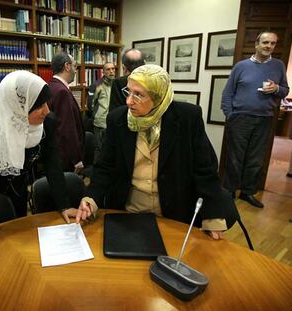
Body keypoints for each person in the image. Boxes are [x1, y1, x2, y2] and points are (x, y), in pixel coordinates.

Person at [76, 65, 239, 239]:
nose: (129, 101)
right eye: (128, 92)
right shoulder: (118, 119)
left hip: (174, 215)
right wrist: (91, 199)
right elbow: (104, 167)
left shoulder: (187, 118)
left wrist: (212, 216)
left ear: (159, 96)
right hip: (128, 213)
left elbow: (204, 170)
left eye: (138, 94)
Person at [0, 71, 77, 261]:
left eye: (46, 103)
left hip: (18, 185)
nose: (47, 111)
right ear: (18, 107)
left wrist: (64, 205)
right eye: (38, 106)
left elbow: (53, 165)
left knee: (18, 242)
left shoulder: (47, 122)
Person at [221, 30, 289, 208]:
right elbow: (228, 93)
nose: (269, 46)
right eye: (265, 42)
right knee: (235, 156)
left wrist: (276, 89)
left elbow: (285, 90)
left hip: (265, 119)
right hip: (240, 118)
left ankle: (247, 192)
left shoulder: (279, 66)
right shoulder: (241, 66)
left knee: (256, 158)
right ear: (257, 44)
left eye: (273, 43)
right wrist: (230, 114)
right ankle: (229, 191)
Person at [48, 52, 85, 173]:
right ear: (67, 66)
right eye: (75, 66)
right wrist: (77, 159)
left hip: (55, 153)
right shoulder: (61, 92)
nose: (75, 70)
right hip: (65, 157)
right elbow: (67, 128)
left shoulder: (51, 86)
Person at [90, 62, 116, 162]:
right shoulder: (97, 85)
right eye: (108, 69)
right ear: (103, 72)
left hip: (112, 123)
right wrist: (97, 115)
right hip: (100, 123)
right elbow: (91, 104)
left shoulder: (117, 84)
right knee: (99, 148)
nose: (111, 71)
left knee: (111, 149)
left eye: (113, 69)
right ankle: (97, 172)